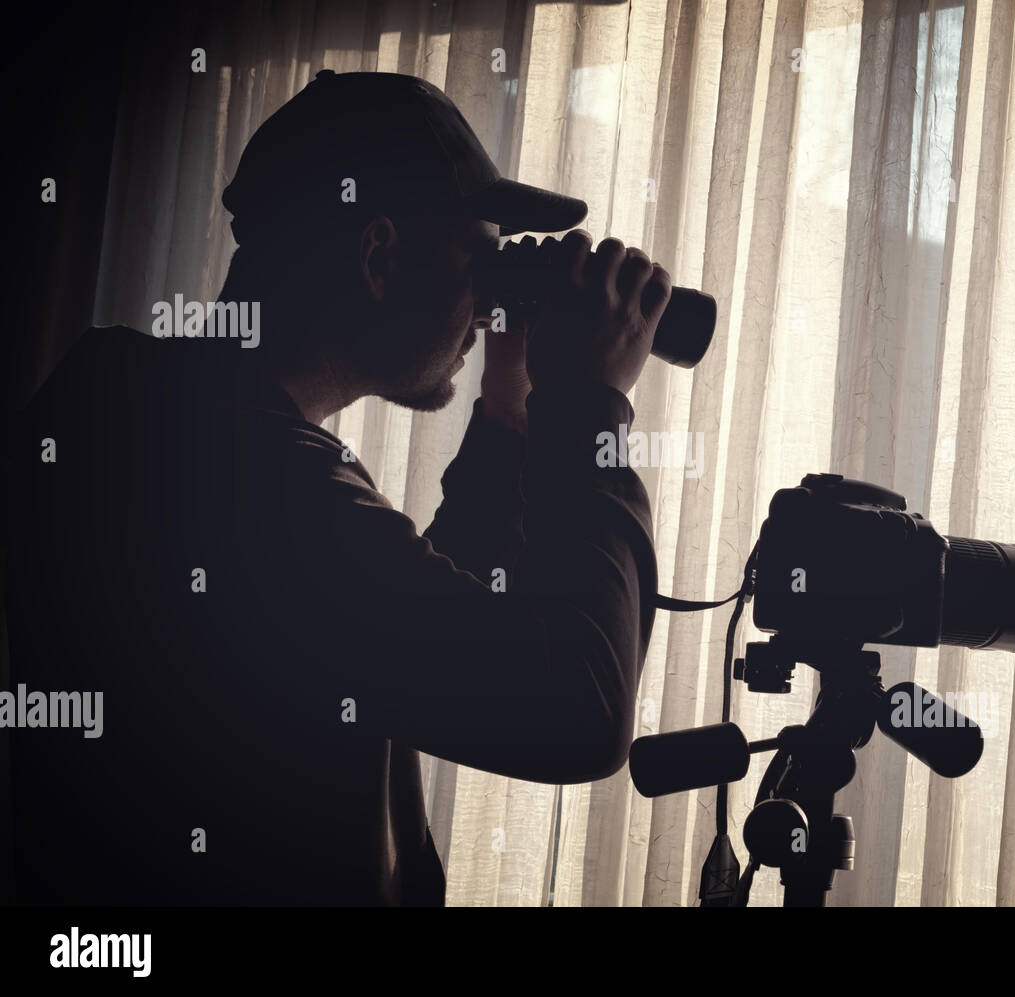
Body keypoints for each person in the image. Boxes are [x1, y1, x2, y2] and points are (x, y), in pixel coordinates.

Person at [4, 70, 667, 905]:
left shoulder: (151, 411)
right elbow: (577, 705)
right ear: (379, 255)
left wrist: (508, 418)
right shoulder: (253, 477)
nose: (485, 305)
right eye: (481, 261)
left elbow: (412, 631)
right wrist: (589, 407)